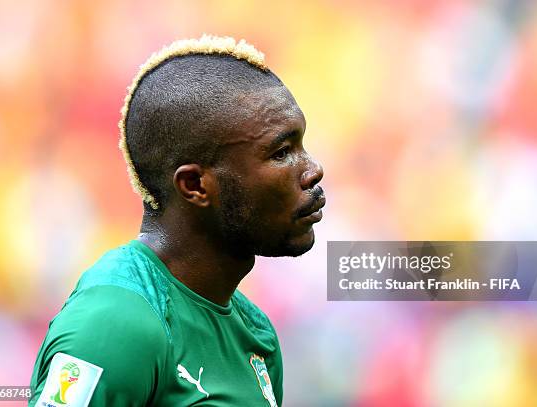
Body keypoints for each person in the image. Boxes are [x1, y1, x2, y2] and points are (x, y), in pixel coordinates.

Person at [29, 34, 325, 407]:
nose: (313, 170)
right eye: (281, 152)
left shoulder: (255, 332)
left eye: (302, 146)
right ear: (195, 185)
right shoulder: (115, 323)